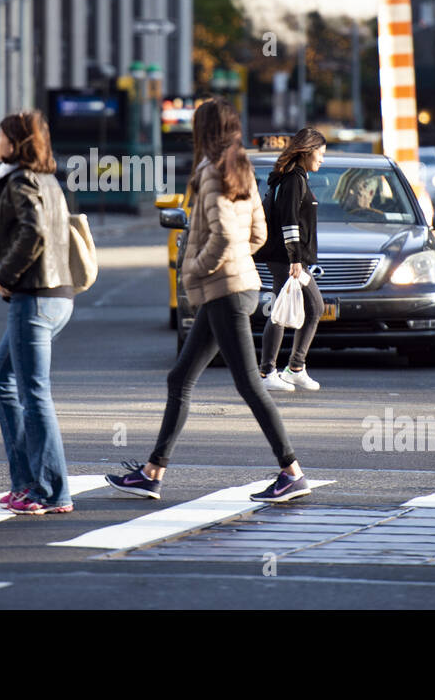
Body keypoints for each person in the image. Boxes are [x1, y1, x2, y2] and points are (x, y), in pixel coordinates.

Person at [105, 98, 313, 504]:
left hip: (224, 290)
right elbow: (257, 233)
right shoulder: (242, 169)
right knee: (179, 378)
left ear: (205, 132)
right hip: (238, 286)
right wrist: (230, 261)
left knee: (249, 384)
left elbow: (222, 236)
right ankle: (152, 472)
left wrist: (196, 268)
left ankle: (292, 471)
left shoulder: (210, 172)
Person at [0, 112, 77, 515]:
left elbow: (33, 232)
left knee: (33, 393)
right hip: (57, 295)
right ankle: (26, 482)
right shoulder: (48, 179)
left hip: (35, 296)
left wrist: (5, 275)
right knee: (1, 382)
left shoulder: (20, 179)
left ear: (16, 143)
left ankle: (51, 490)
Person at [255, 127, 325, 394]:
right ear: (307, 151)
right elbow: (289, 221)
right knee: (308, 308)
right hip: (288, 260)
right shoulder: (294, 179)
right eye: (320, 153)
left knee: (292, 309)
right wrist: (296, 258)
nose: (322, 159)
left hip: (288, 259)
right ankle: (273, 370)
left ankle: (290, 369)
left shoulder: (292, 177)